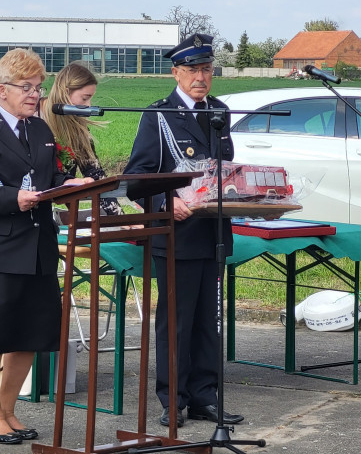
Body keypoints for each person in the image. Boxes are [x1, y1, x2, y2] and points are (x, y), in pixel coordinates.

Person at [0, 48, 92, 444]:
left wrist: (70, 186)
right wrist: (13, 198)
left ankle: (10, 409)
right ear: (2, 90)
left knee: (30, 333)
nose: (35, 94)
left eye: (39, 87)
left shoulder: (41, 130)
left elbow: (51, 177)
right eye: (26, 87)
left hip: (38, 246)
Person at [123, 33, 245, 429]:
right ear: (175, 72)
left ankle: (205, 398)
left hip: (212, 232)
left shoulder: (219, 111)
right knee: (176, 323)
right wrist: (163, 204)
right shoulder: (159, 115)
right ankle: (173, 399)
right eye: (192, 70)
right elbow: (138, 178)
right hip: (175, 235)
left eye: (206, 69)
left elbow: (221, 168)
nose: (200, 77)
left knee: (208, 323)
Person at [40, 62, 122, 216]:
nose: (89, 105)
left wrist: (120, 218)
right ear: (65, 92)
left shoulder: (79, 128)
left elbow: (95, 174)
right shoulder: (33, 118)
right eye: (85, 98)